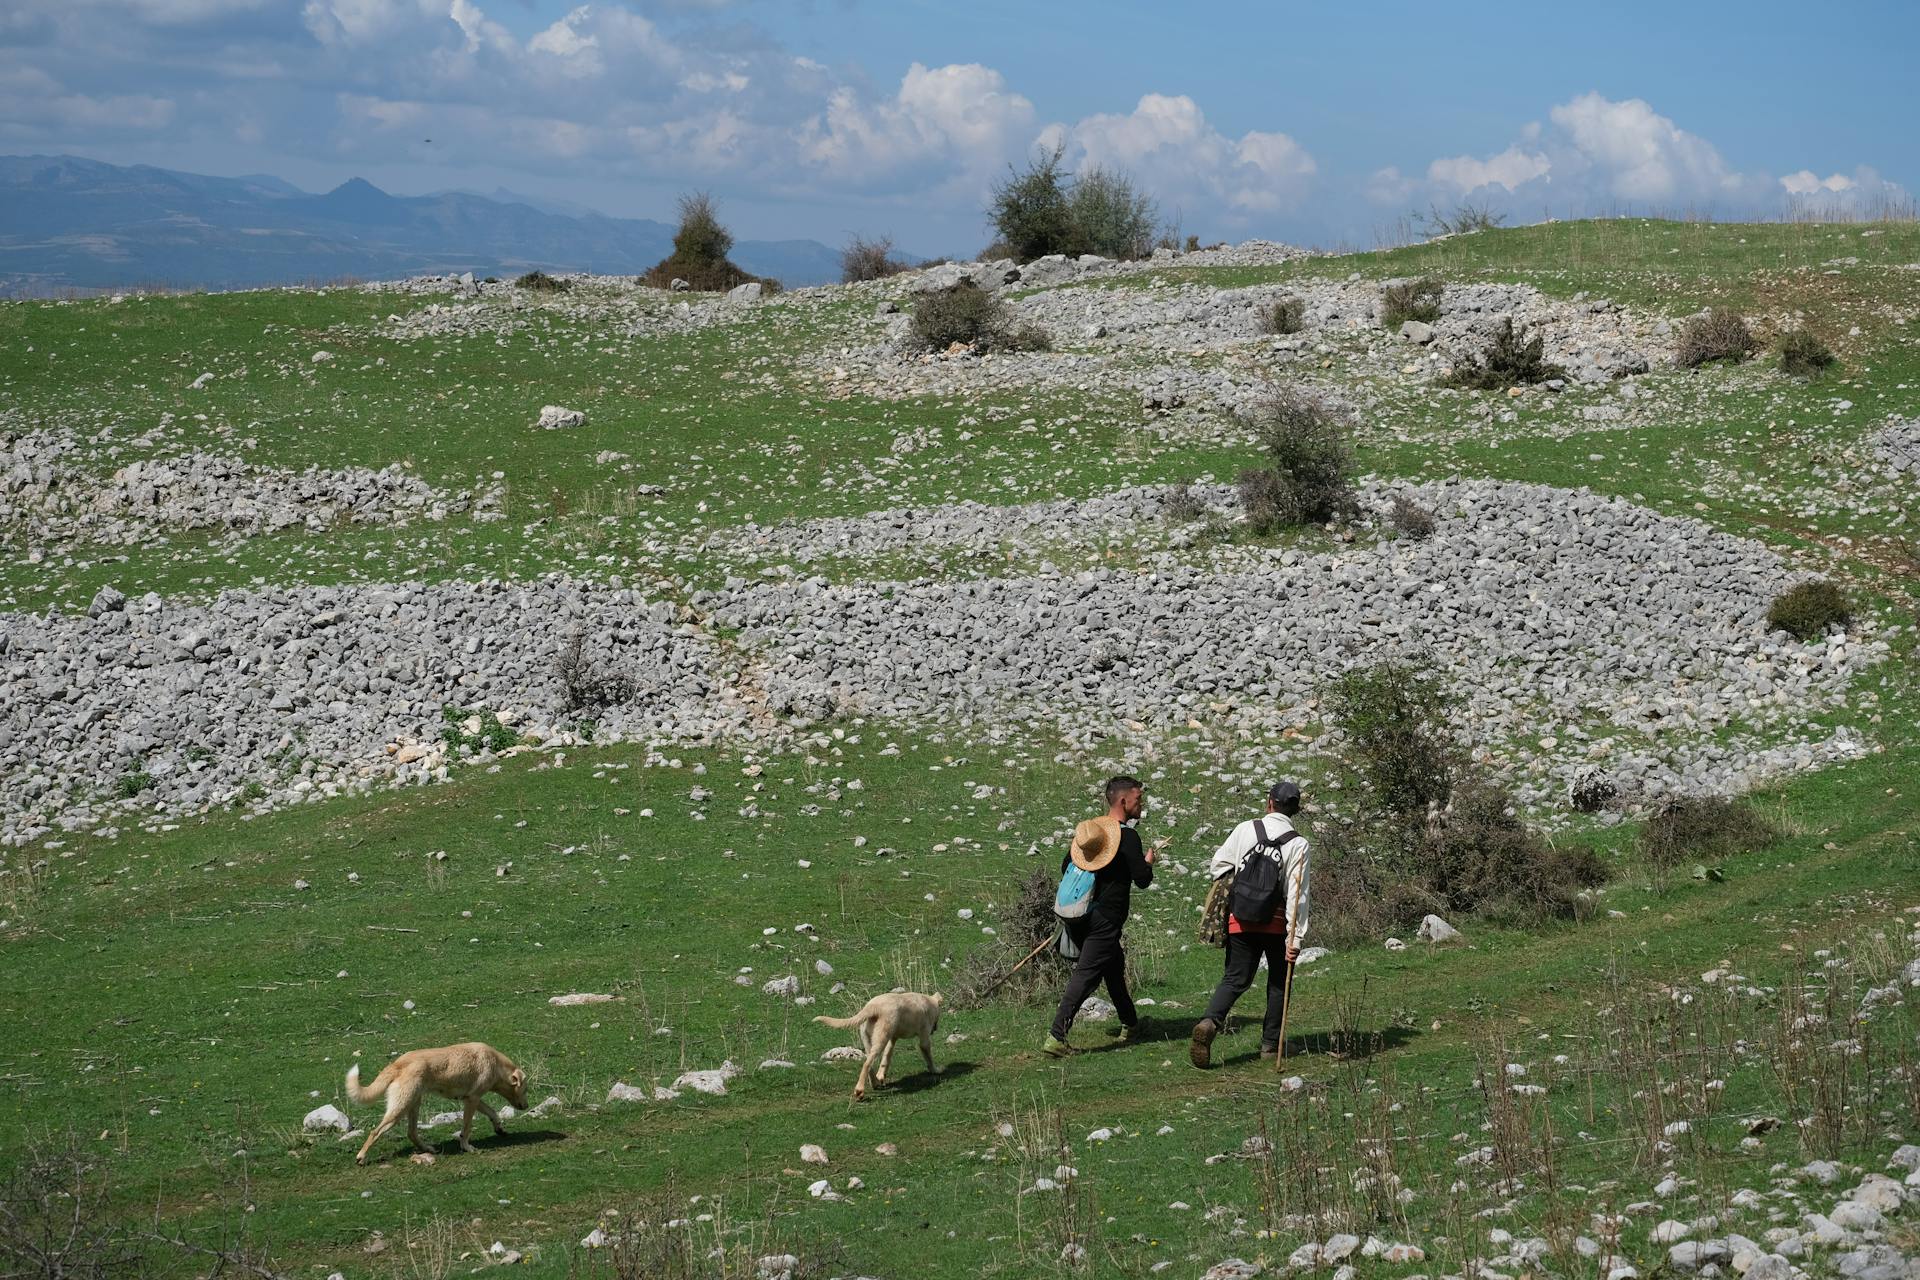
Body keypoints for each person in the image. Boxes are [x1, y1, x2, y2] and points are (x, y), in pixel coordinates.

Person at [1188, 781, 1310, 1069]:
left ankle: (1210, 1021)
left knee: (1235, 979)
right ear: (1295, 811)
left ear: (1269, 803)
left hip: (1239, 919)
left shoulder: (1246, 829)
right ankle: (1270, 1045)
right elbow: (1297, 895)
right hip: (1277, 924)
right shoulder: (1298, 844)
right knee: (1279, 982)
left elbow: (1218, 865)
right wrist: (1296, 939)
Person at [1042, 775, 1158, 1057]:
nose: (1141, 803)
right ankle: (1056, 1036)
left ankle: (1130, 1023)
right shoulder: (1128, 837)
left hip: (1082, 915)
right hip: (1106, 919)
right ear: (1123, 800)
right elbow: (1142, 879)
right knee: (1086, 977)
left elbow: (1065, 864)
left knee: (1113, 968)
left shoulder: (1091, 831)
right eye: (1138, 798)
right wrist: (1149, 861)